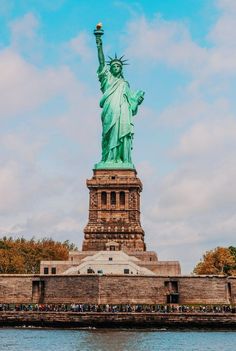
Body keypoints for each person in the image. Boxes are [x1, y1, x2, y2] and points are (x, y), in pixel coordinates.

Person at [95, 33, 144, 167]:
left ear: (121, 69)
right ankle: (108, 159)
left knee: (121, 135)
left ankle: (121, 159)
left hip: (123, 113)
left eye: (118, 66)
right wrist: (99, 43)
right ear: (110, 68)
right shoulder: (107, 79)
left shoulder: (124, 84)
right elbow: (101, 62)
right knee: (108, 134)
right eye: (114, 66)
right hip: (110, 110)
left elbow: (132, 104)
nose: (116, 67)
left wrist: (137, 100)